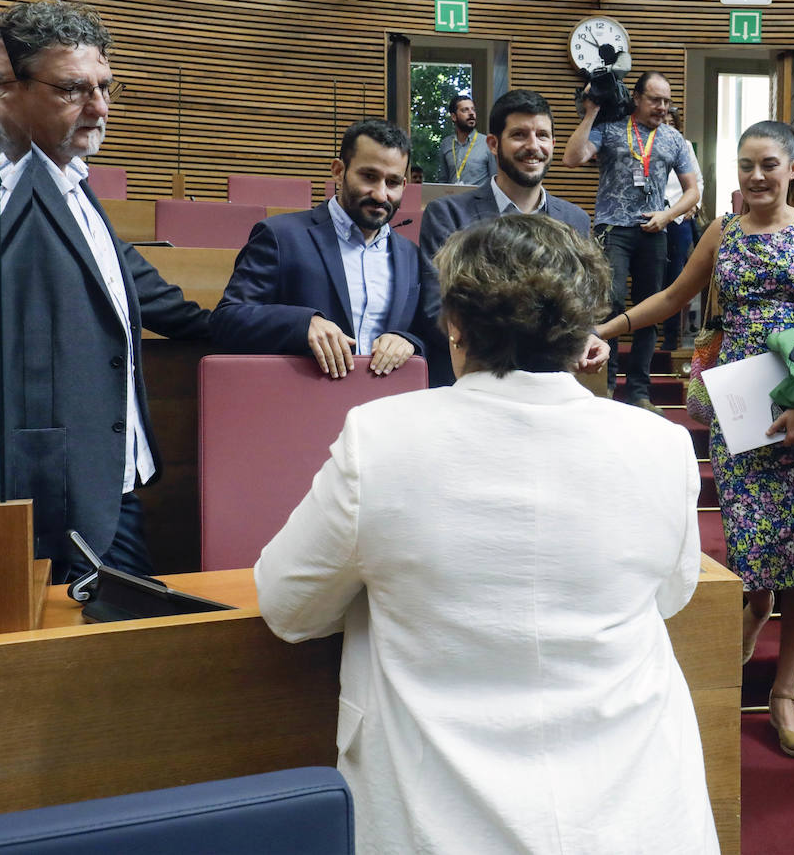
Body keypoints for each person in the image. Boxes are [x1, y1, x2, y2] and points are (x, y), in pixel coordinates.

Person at [255, 213, 719, 854]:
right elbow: (670, 595)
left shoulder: (381, 437)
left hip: (439, 818)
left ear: (455, 324)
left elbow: (287, 606)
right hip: (634, 812)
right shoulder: (661, 446)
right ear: (580, 328)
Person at [0, 0, 211, 582]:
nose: (99, 109)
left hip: (101, 490)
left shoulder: (69, 178)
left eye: (105, 87)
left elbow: (164, 308)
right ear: (9, 87)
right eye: (73, 90)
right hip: (37, 511)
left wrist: (295, 325)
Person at [594, 120, 794, 759]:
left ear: (793, 168)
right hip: (740, 409)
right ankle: (751, 615)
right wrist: (608, 326)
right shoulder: (723, 230)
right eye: (744, 165)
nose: (755, 176)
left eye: (768, 164)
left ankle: (783, 691)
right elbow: (676, 296)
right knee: (754, 539)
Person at [210, 119, 448, 387]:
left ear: (404, 185)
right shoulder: (280, 236)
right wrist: (302, 325)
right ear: (338, 171)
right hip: (303, 406)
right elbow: (226, 321)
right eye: (369, 176)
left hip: (385, 411)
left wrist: (409, 342)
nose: (381, 195)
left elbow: (432, 337)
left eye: (392, 182)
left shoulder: (412, 256)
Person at [419, 89, 594, 385]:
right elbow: (436, 308)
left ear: (553, 142)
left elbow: (581, 308)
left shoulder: (574, 220)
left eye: (542, 135)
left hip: (548, 390)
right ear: (493, 144)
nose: (533, 146)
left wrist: (591, 336)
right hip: (470, 385)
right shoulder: (447, 215)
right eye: (519, 135)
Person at [564, 70, 700, 413]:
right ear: (637, 98)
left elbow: (693, 191)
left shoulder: (673, 139)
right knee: (609, 305)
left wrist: (667, 217)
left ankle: (639, 391)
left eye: (667, 101)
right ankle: (606, 385)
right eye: (655, 100)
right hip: (613, 230)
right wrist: (591, 111)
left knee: (647, 312)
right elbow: (572, 158)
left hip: (654, 232)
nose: (662, 107)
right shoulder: (610, 130)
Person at [660, 106, 702, 350]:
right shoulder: (646, 144)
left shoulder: (683, 145)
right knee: (654, 280)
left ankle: (671, 337)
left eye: (671, 123)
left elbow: (698, 181)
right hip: (653, 220)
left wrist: (692, 207)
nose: (667, 126)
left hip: (680, 219)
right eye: (663, 122)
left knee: (676, 280)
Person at [438, 94, 495, 185]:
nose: (471, 113)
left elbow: (495, 179)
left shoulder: (487, 143)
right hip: (453, 198)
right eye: (465, 110)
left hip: (479, 198)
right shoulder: (446, 144)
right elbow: (442, 181)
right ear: (453, 117)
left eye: (473, 109)